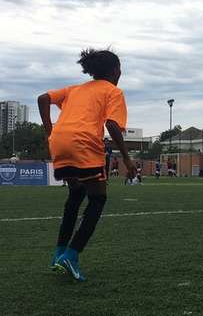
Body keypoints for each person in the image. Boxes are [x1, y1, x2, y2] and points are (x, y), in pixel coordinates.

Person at [39, 48, 136, 282]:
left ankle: (59, 253)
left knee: (75, 194)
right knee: (98, 198)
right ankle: (71, 255)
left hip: (59, 142)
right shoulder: (113, 91)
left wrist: (49, 131)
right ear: (115, 71)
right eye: (120, 69)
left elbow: (43, 98)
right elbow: (113, 125)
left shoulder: (75, 89)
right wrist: (126, 157)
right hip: (84, 144)